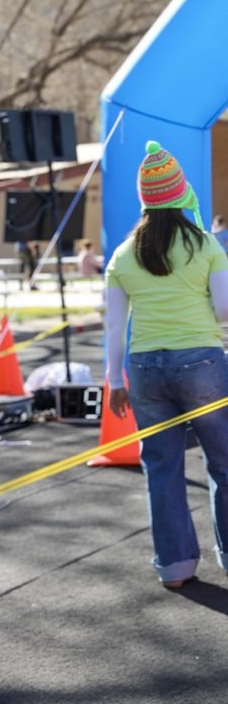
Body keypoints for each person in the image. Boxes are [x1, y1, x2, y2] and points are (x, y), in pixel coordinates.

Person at [105, 140, 228, 589]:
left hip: (144, 370)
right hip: (202, 363)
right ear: (181, 193)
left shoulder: (123, 255)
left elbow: (114, 327)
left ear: (145, 200)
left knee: (162, 468)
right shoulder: (206, 245)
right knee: (224, 463)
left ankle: (175, 568)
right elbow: (224, 311)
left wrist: (113, 381)